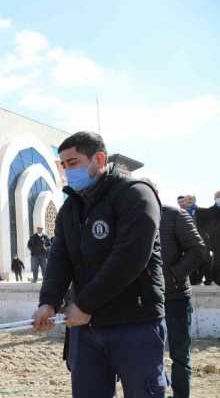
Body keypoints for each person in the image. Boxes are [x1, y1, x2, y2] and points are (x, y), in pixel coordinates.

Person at [33, 131, 167, 398]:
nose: (67, 171)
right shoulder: (70, 209)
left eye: (73, 163)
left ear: (99, 159)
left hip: (134, 323)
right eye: (64, 165)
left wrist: (84, 305)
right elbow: (59, 260)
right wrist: (48, 302)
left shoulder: (136, 195)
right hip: (87, 328)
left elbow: (129, 260)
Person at [147, 180, 207, 398]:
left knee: (179, 355)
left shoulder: (174, 215)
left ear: (155, 192)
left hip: (175, 297)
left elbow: (198, 250)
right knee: (147, 356)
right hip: (143, 301)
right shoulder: (130, 218)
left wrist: (172, 275)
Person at [196, 191, 220, 285]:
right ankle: (211, 278)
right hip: (213, 240)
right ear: (214, 198)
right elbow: (206, 227)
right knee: (212, 261)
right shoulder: (209, 211)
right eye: (218, 196)